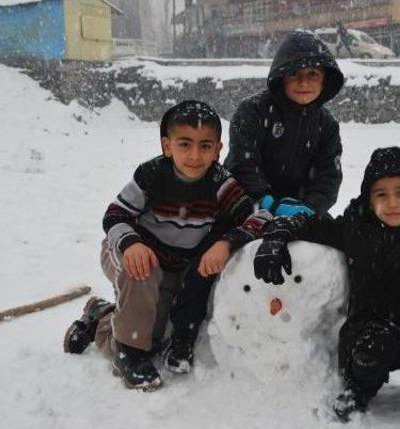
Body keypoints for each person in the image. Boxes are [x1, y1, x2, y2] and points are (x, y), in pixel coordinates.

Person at [253, 147, 400, 420]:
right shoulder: (355, 229)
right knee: (372, 352)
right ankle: (358, 389)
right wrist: (277, 235)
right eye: (381, 194)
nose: (392, 203)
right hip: (372, 330)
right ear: (369, 199)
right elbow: (311, 224)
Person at [63, 100, 271, 391]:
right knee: (139, 320)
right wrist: (131, 243)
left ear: (218, 150)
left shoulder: (221, 183)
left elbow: (259, 216)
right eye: (184, 144)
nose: (195, 155)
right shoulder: (151, 176)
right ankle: (127, 355)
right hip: (130, 254)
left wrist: (226, 242)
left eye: (205, 146)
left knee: (154, 338)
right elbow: (115, 215)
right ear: (167, 146)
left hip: (173, 267)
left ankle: (100, 316)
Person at [224, 31, 345, 217]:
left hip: (304, 211)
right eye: (294, 73)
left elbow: (328, 176)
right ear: (282, 78)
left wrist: (310, 207)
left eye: (313, 74)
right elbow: (242, 164)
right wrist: (267, 202)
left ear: (325, 80)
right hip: (250, 206)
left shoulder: (327, 125)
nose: (303, 82)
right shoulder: (252, 111)